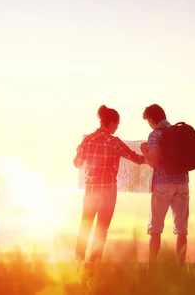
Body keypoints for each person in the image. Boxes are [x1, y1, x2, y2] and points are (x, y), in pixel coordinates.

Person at [73, 104, 145, 270]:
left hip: (90, 191)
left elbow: (77, 163)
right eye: (117, 123)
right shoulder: (115, 142)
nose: (117, 127)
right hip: (108, 192)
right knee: (101, 229)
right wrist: (148, 153)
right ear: (111, 122)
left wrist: (78, 151)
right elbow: (137, 159)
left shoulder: (88, 139)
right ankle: (93, 264)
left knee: (85, 225)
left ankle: (78, 263)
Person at [141, 104, 190, 267]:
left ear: (150, 119)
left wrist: (144, 151)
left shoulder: (155, 135)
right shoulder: (179, 132)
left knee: (155, 230)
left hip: (162, 184)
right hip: (182, 182)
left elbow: (153, 161)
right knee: (181, 230)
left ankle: (152, 270)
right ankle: (180, 270)